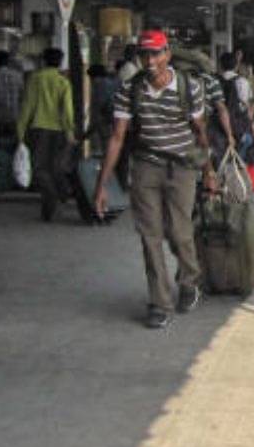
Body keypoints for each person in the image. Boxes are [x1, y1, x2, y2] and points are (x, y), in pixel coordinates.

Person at [93, 30, 217, 328]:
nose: (150, 61)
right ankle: (160, 302)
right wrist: (101, 186)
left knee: (179, 232)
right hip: (147, 167)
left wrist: (209, 171)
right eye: (144, 55)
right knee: (150, 237)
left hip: (183, 166)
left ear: (167, 55)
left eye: (156, 54)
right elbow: (117, 137)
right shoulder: (129, 89)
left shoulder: (190, 87)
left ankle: (189, 281)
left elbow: (200, 134)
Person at [16, 48, 74, 221]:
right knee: (55, 167)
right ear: (60, 62)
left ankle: (50, 198)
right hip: (59, 131)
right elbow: (67, 111)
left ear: (43, 61)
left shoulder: (35, 79)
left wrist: (20, 131)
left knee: (39, 168)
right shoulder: (63, 82)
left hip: (38, 130)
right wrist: (70, 131)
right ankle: (58, 195)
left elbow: (27, 106)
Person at [217, 51, 254, 161]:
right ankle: (238, 160)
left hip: (217, 124)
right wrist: (253, 129)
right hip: (237, 125)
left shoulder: (215, 81)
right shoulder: (242, 82)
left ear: (220, 65)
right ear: (236, 66)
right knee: (248, 140)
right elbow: (247, 107)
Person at [0, 50, 24, 140]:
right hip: (14, 116)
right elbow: (22, 95)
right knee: (13, 144)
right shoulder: (17, 76)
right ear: (8, 62)